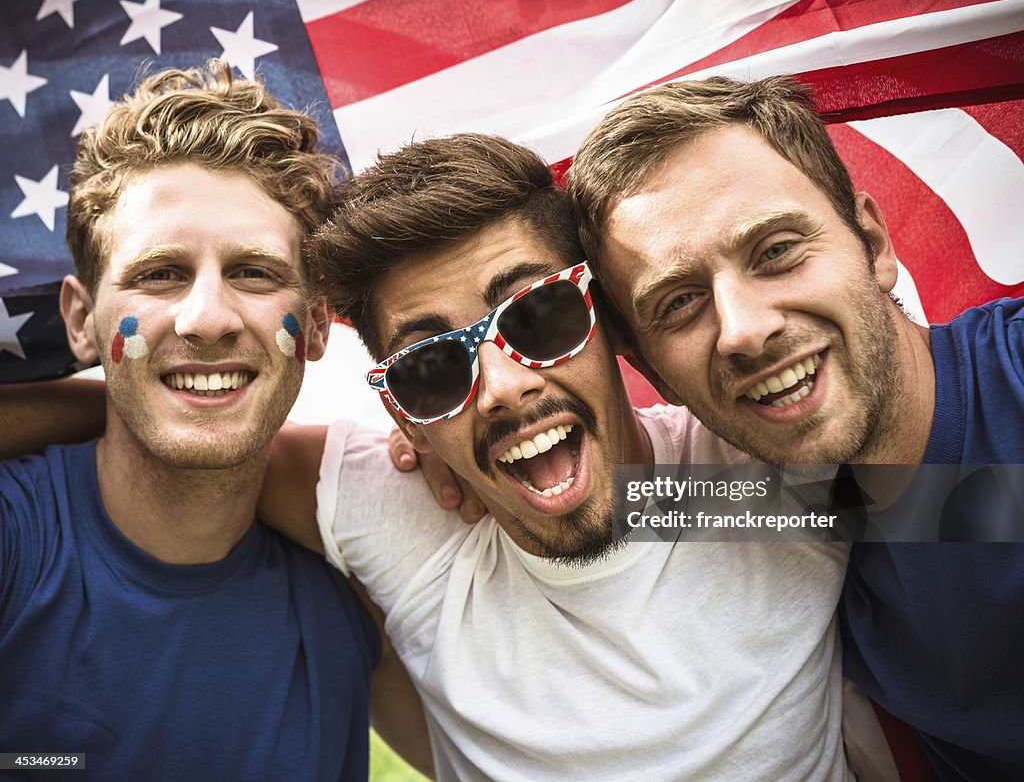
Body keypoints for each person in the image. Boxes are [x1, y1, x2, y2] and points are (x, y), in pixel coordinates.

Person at [261, 133, 853, 780]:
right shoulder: (408, 520)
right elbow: (185, 457)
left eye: (538, 315)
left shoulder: (755, 481)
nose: (502, 388)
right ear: (403, 413)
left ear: (612, 319)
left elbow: (973, 502)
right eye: (431, 367)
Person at [566, 75, 1024, 781]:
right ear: (650, 370)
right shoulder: (766, 508)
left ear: (872, 243)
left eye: (776, 250)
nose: (745, 330)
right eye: (681, 302)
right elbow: (592, 509)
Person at [0, 62, 430, 781]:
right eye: (160, 272)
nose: (207, 319)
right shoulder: (17, 541)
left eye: (254, 272)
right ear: (81, 320)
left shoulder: (357, 585)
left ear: (319, 322)